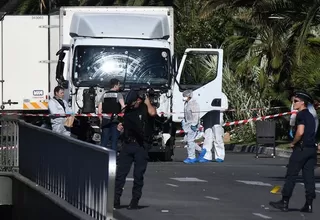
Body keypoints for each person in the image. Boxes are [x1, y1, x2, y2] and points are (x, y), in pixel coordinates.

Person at [269, 91, 318, 213]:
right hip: (311, 149)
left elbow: (300, 132)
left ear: (302, 103)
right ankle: (309, 204)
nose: (293, 103)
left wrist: (293, 142)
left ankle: (284, 202)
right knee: (309, 177)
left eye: (296, 101)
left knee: (291, 175)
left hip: (301, 149)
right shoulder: (311, 116)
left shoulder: (301, 115)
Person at [114, 89, 156, 210]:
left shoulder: (145, 108)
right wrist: (121, 126)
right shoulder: (128, 110)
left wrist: (147, 101)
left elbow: (153, 113)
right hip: (128, 144)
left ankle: (134, 201)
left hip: (141, 146)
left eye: (135, 102)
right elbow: (125, 122)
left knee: (138, 175)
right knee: (120, 174)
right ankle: (116, 199)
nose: (134, 104)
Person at [98, 78, 125, 151]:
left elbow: (99, 109)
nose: (119, 87)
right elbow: (123, 107)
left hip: (105, 119)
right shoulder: (118, 95)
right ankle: (113, 159)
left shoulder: (104, 95)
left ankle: (102, 156)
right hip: (115, 120)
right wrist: (122, 120)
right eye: (119, 85)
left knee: (104, 141)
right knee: (114, 141)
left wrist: (101, 119)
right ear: (115, 85)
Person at [201, 92, 228, 163]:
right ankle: (207, 156)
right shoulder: (206, 94)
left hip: (217, 117)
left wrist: (214, 108)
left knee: (218, 137)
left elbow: (225, 107)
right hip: (208, 116)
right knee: (207, 136)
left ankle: (220, 156)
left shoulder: (222, 95)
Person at [181, 90, 206, 164]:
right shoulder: (187, 103)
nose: (184, 98)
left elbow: (196, 115)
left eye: (185, 96)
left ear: (189, 96)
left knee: (190, 141)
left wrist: (194, 124)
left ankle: (191, 157)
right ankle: (201, 151)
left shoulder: (193, 103)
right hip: (188, 124)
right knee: (187, 140)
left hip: (192, 125)